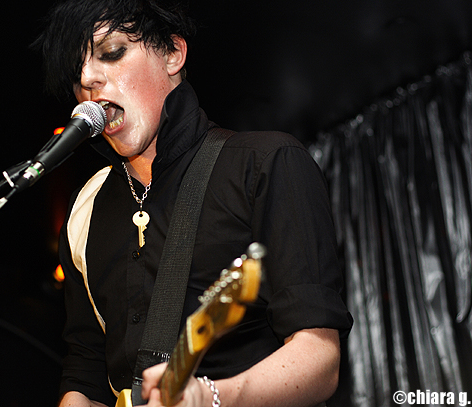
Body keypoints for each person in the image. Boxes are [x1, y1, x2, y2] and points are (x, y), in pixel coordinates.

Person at [36, 1, 353, 406]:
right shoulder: (86, 207)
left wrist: (213, 396)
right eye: (75, 72)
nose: (88, 79)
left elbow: (319, 357)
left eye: (111, 53)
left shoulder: (266, 162)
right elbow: (86, 370)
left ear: (172, 53)